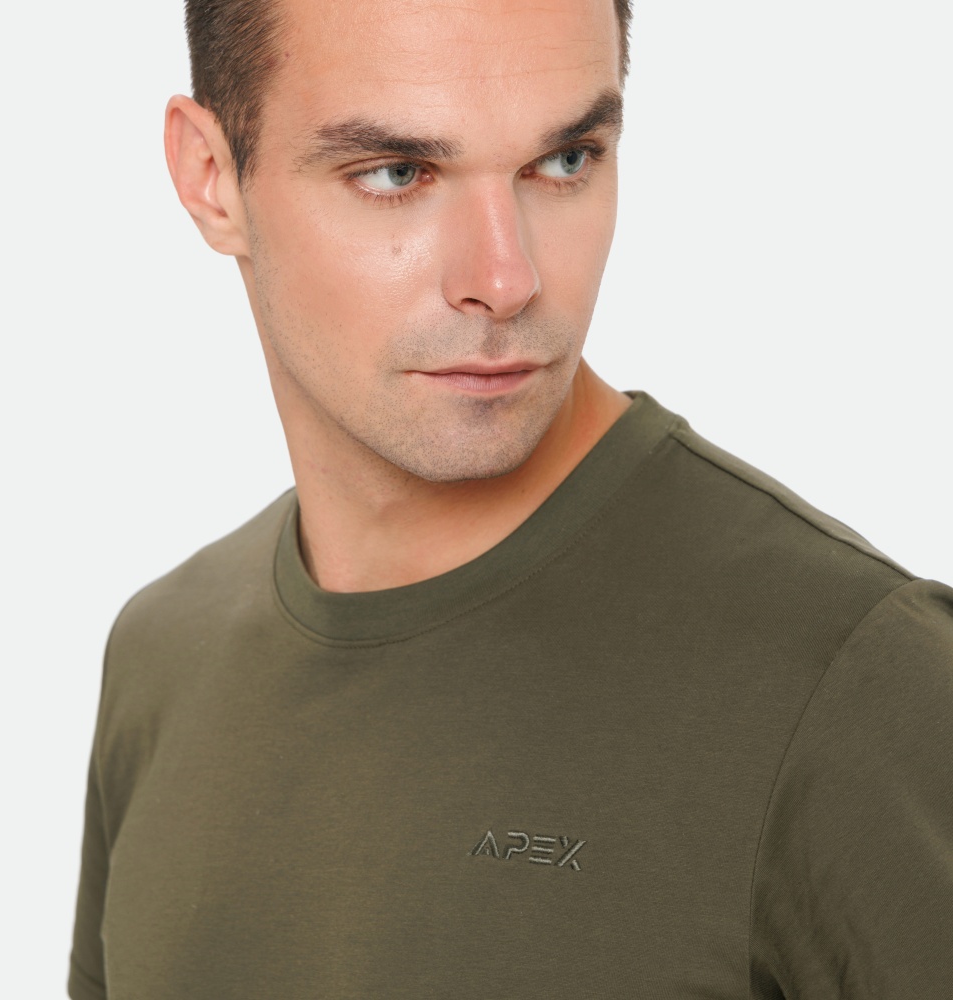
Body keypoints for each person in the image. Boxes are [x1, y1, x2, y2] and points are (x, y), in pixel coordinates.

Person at [68, 0, 953, 996]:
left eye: (564, 161)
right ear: (209, 175)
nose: (506, 278)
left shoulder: (857, 683)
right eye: (397, 173)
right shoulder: (162, 658)